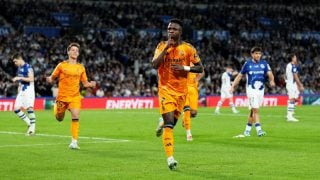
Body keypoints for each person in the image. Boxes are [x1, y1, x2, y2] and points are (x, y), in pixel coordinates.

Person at [152, 18, 203, 170]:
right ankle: (170, 158)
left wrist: (185, 68)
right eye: (169, 29)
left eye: (174, 29)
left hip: (182, 93)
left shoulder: (188, 49)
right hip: (166, 90)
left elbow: (200, 68)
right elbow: (154, 64)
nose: (170, 31)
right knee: (169, 125)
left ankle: (162, 122)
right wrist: (166, 47)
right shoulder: (161, 45)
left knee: (172, 124)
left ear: (180, 32)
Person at [46, 43, 96, 149]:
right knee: (59, 118)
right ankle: (57, 109)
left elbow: (85, 83)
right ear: (68, 52)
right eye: (73, 50)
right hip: (62, 97)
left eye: (77, 51)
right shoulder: (61, 65)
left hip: (75, 96)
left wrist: (91, 84)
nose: (75, 52)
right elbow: (53, 77)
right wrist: (49, 79)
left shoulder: (81, 67)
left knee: (76, 115)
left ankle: (74, 142)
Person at [230, 47, 275, 137]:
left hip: (261, 90)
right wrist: (233, 86)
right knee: (256, 110)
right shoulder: (247, 64)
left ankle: (247, 130)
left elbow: (270, 73)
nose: (258, 55)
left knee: (252, 111)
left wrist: (271, 80)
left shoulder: (264, 63)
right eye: (256, 53)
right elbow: (239, 76)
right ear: (252, 54)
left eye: (259, 53)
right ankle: (259, 130)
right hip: (251, 90)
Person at [12, 53, 36, 135]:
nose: (15, 63)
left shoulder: (28, 67)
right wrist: (19, 89)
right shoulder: (19, 68)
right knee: (16, 109)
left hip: (29, 90)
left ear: (19, 59)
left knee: (29, 108)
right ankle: (29, 122)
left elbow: (32, 79)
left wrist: (20, 78)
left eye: (15, 61)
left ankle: (32, 129)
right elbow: (20, 82)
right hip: (22, 90)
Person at [285, 53, 304, 122]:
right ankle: (290, 116)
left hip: (291, 84)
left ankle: (290, 112)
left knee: (295, 99)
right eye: (295, 57)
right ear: (292, 58)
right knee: (292, 99)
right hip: (291, 85)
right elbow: (295, 77)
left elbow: (286, 75)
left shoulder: (288, 65)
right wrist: (300, 85)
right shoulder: (292, 66)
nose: (296, 58)